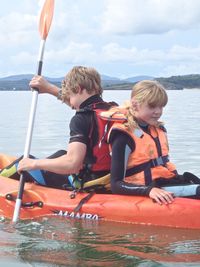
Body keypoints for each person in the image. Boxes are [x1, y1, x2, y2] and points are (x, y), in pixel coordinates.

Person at [1, 66, 117, 191]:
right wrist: (49, 89)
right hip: (105, 177)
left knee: (22, 162)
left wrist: (33, 164)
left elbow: (73, 164)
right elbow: (82, 107)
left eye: (70, 95)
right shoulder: (111, 109)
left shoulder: (81, 119)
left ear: (78, 89)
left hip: (87, 182)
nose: (70, 103)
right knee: (61, 153)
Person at [103, 80, 200, 205]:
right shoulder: (123, 136)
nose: (158, 112)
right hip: (146, 187)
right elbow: (116, 184)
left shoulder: (158, 129)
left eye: (161, 106)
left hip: (166, 182)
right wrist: (149, 191)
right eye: (152, 106)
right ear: (135, 105)